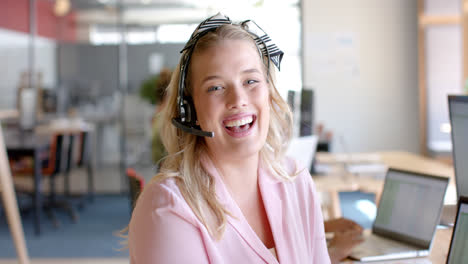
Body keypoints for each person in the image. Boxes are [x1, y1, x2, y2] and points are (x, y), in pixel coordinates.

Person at [128, 13, 330, 263]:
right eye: (216, 87)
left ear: (269, 92)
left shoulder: (296, 180)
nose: (238, 100)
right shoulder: (169, 206)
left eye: (251, 81)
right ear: (190, 110)